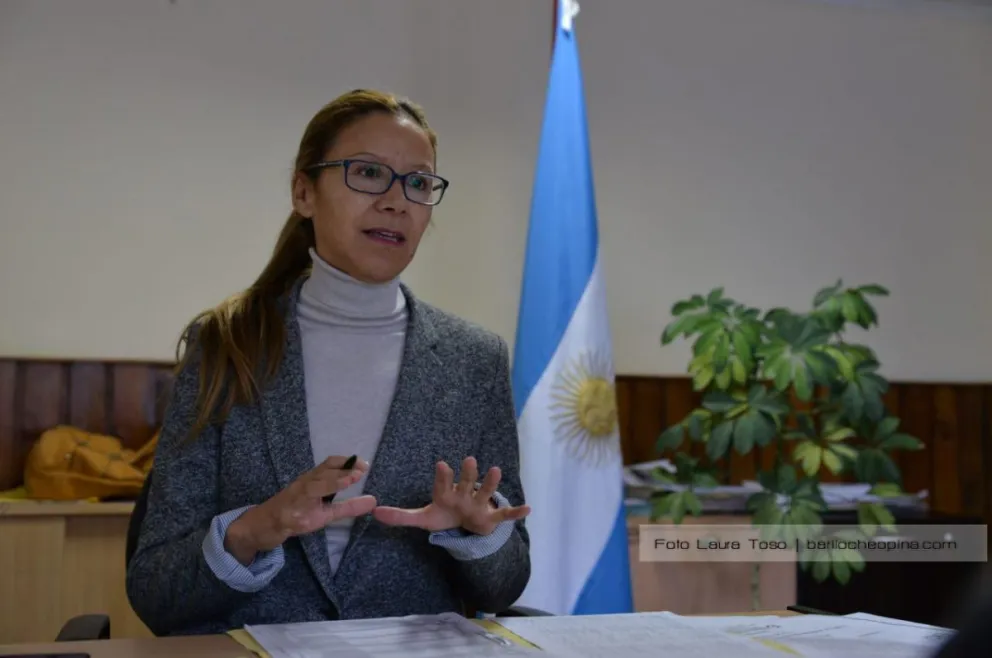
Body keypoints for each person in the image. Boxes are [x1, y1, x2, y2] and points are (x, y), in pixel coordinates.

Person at [124, 89, 532, 636]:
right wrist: (254, 529)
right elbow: (156, 591)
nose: (396, 201)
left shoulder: (474, 359)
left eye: (417, 182)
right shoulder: (226, 344)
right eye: (368, 172)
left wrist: (481, 535)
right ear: (303, 192)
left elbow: (505, 588)